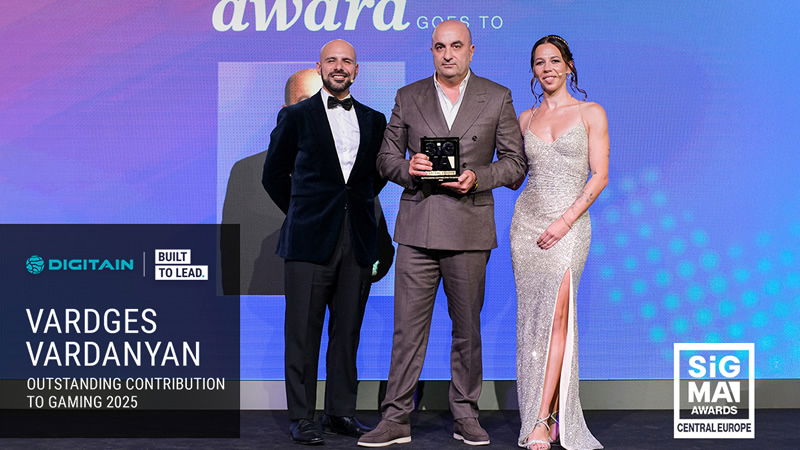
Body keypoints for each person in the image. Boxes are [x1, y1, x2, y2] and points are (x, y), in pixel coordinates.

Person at [358, 20, 526, 448]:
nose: (447, 54)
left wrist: (477, 176)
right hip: (418, 228)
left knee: (467, 329)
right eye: (439, 47)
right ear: (431, 51)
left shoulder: (497, 96)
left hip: (469, 227)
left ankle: (465, 414)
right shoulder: (408, 96)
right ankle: (395, 418)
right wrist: (407, 167)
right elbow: (385, 158)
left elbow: (515, 163)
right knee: (406, 331)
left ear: (471, 50)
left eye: (456, 46)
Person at [262, 40, 387, 445]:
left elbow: (374, 178)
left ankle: (340, 413)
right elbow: (273, 174)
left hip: (358, 240)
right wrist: (305, 212)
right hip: (308, 240)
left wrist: (353, 208)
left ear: (356, 69)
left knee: (347, 332)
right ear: (319, 68)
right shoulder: (296, 116)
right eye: (331, 60)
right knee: (302, 332)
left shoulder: (374, 120)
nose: (339, 66)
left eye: (347, 61)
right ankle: (302, 416)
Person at [510, 35, 608, 450]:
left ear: (569, 65)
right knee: (532, 323)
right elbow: (514, 173)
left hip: (569, 228)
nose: (547, 68)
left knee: (558, 320)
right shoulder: (524, 118)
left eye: (554, 60)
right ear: (533, 70)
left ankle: (542, 419)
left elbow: (600, 175)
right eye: (539, 62)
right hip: (526, 227)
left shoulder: (590, 112)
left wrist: (565, 221)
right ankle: (541, 414)